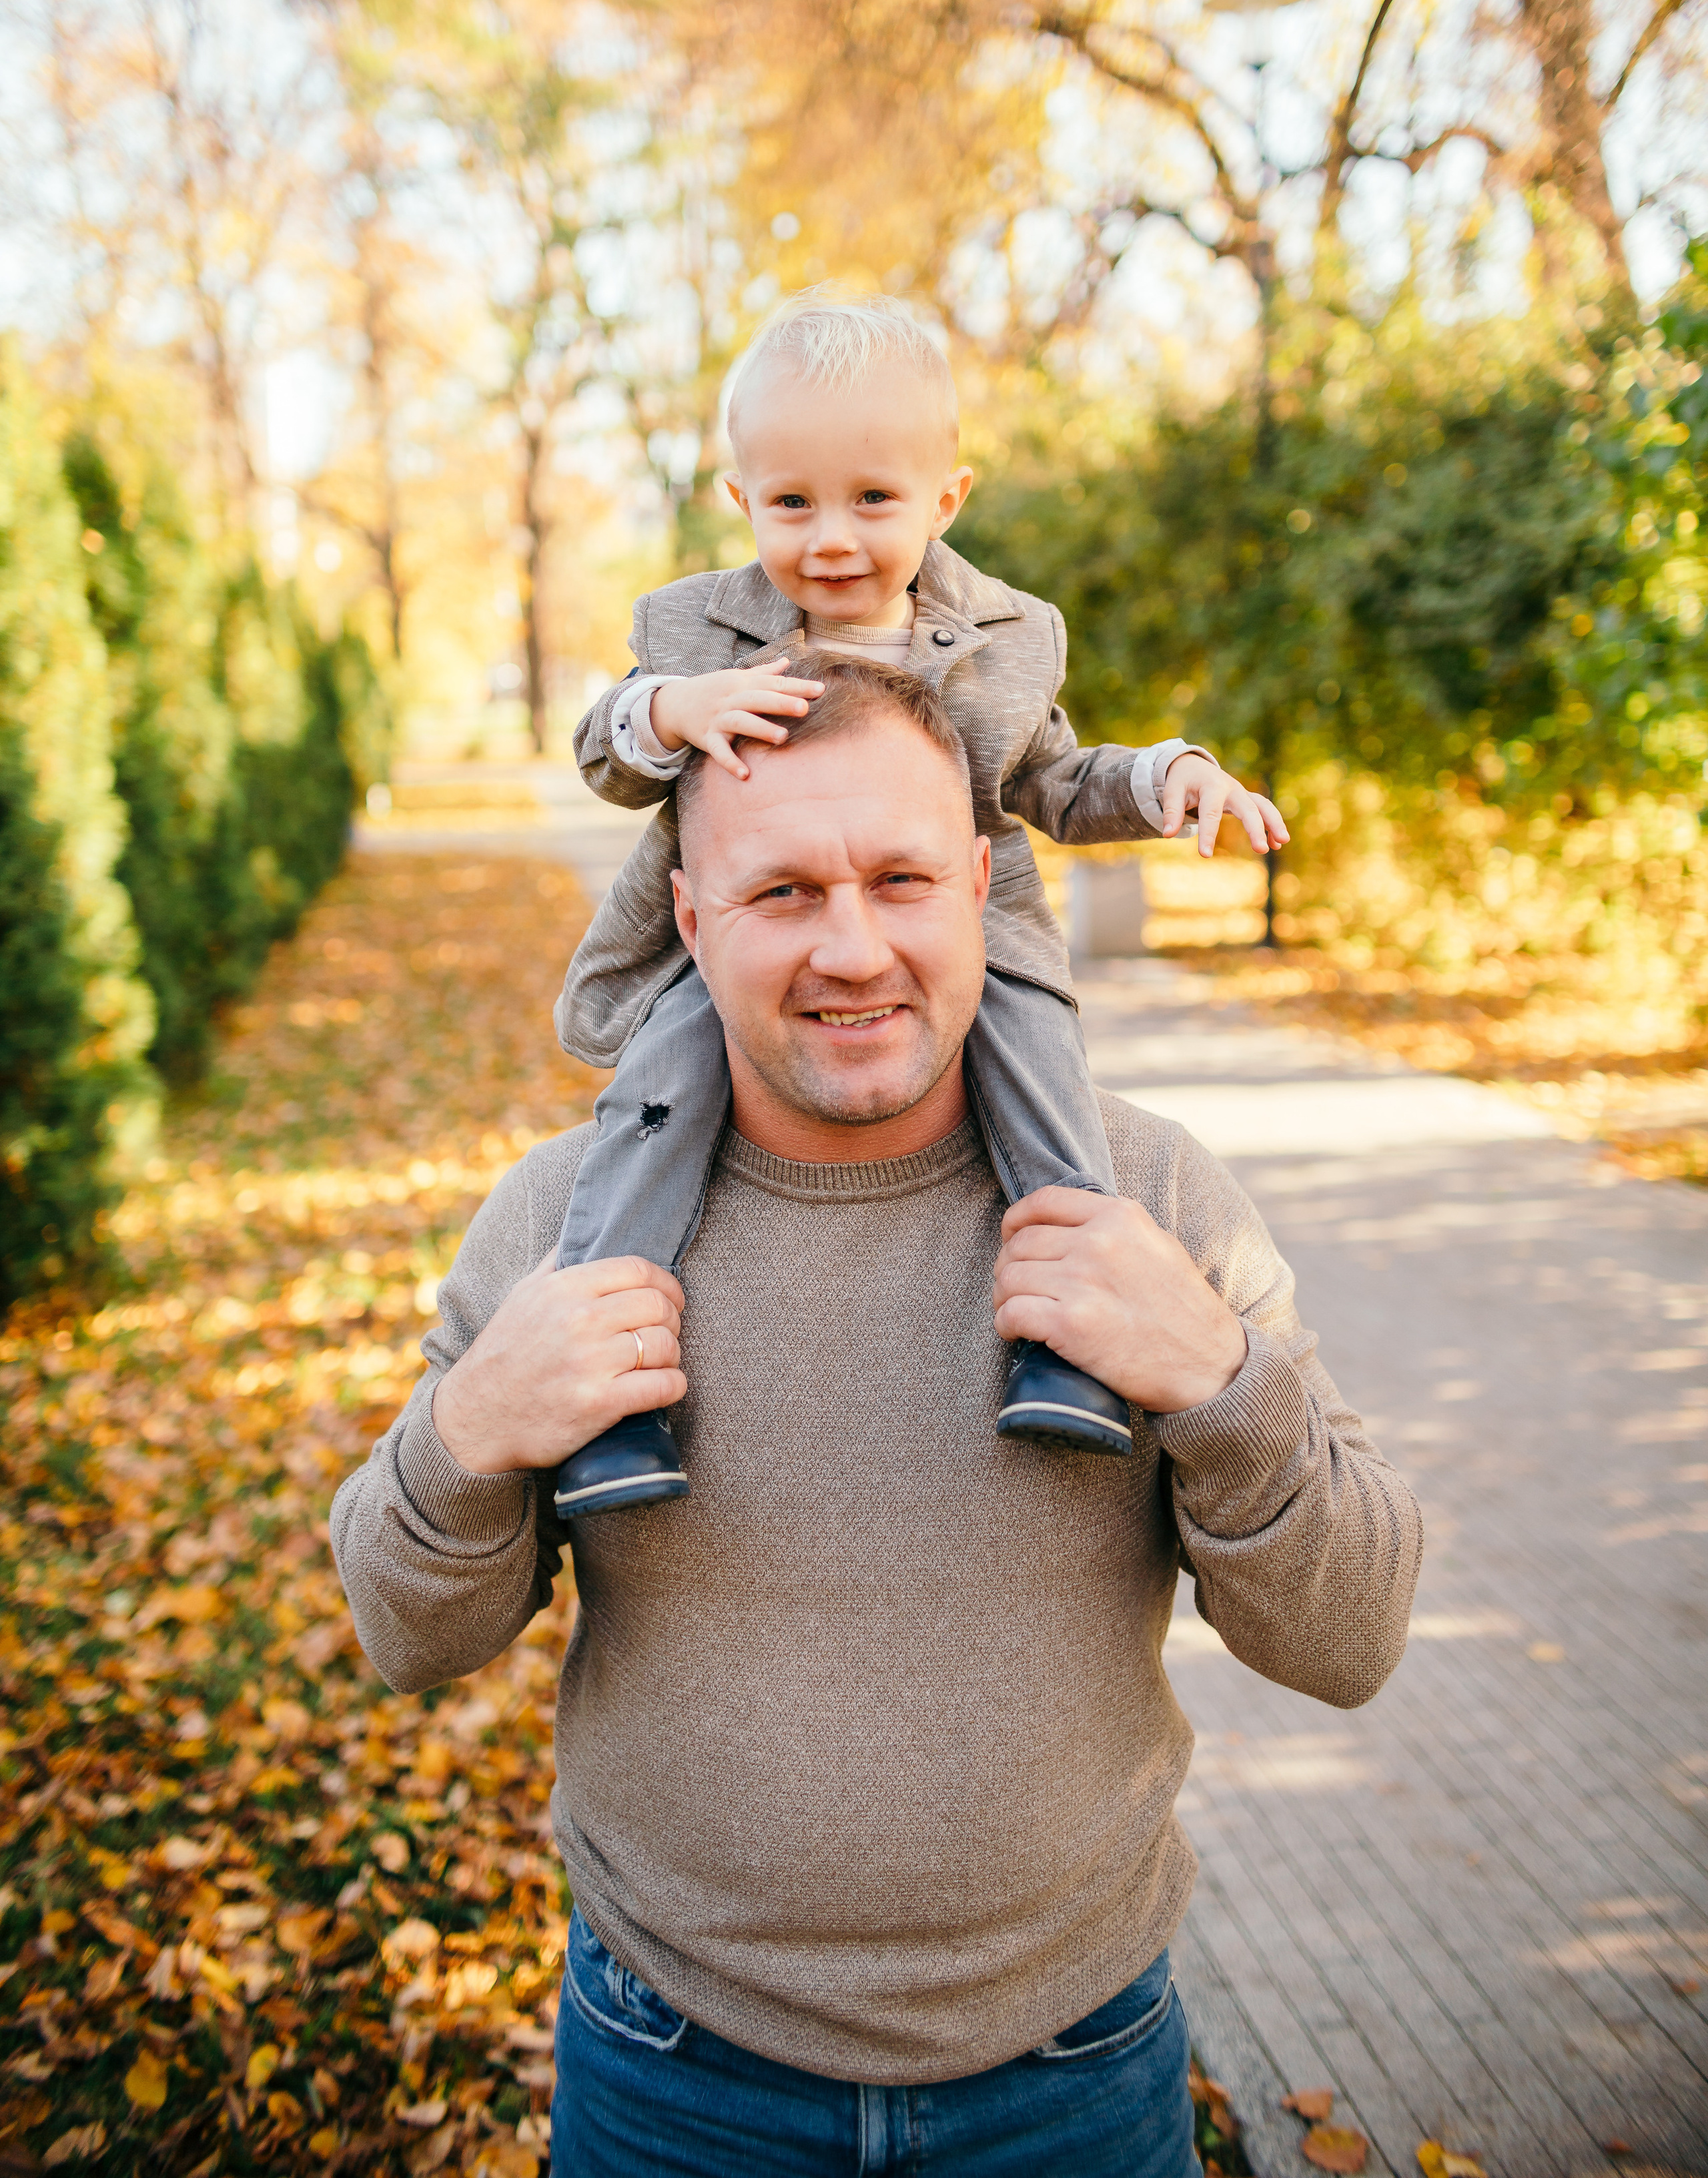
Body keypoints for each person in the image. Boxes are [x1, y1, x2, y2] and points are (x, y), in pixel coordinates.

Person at [330, 659, 1422, 2178]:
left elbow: (1351, 1638)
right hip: (672, 2082)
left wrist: (1218, 1380)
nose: (853, 950)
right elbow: (403, 1633)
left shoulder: (1148, 1197)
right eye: (782, 892)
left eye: (901, 879)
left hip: (1072, 2080)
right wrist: (468, 1434)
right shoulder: (565, 1225)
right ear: (690, 921)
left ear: (979, 885)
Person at [550, 288, 1289, 1519]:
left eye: (873, 500)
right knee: (656, 1104)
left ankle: (1069, 1348)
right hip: (743, 933)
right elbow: (603, 750)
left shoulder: (1004, 639)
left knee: (1048, 1090)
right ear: (743, 501)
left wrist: (1169, 777)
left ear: (946, 498)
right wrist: (674, 712)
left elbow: (1052, 781)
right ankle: (609, 1393)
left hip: (968, 921)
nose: (831, 537)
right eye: (791, 503)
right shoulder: (696, 631)